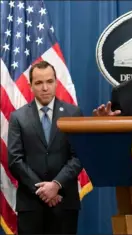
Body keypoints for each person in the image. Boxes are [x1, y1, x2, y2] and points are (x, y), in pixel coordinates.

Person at [7, 61, 83, 234]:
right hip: (31, 204)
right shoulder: (18, 117)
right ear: (30, 86)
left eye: (49, 81)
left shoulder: (73, 113)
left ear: (56, 82)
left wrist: (56, 184)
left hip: (64, 202)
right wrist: (44, 191)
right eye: (39, 83)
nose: (45, 88)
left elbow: (78, 157)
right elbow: (15, 160)